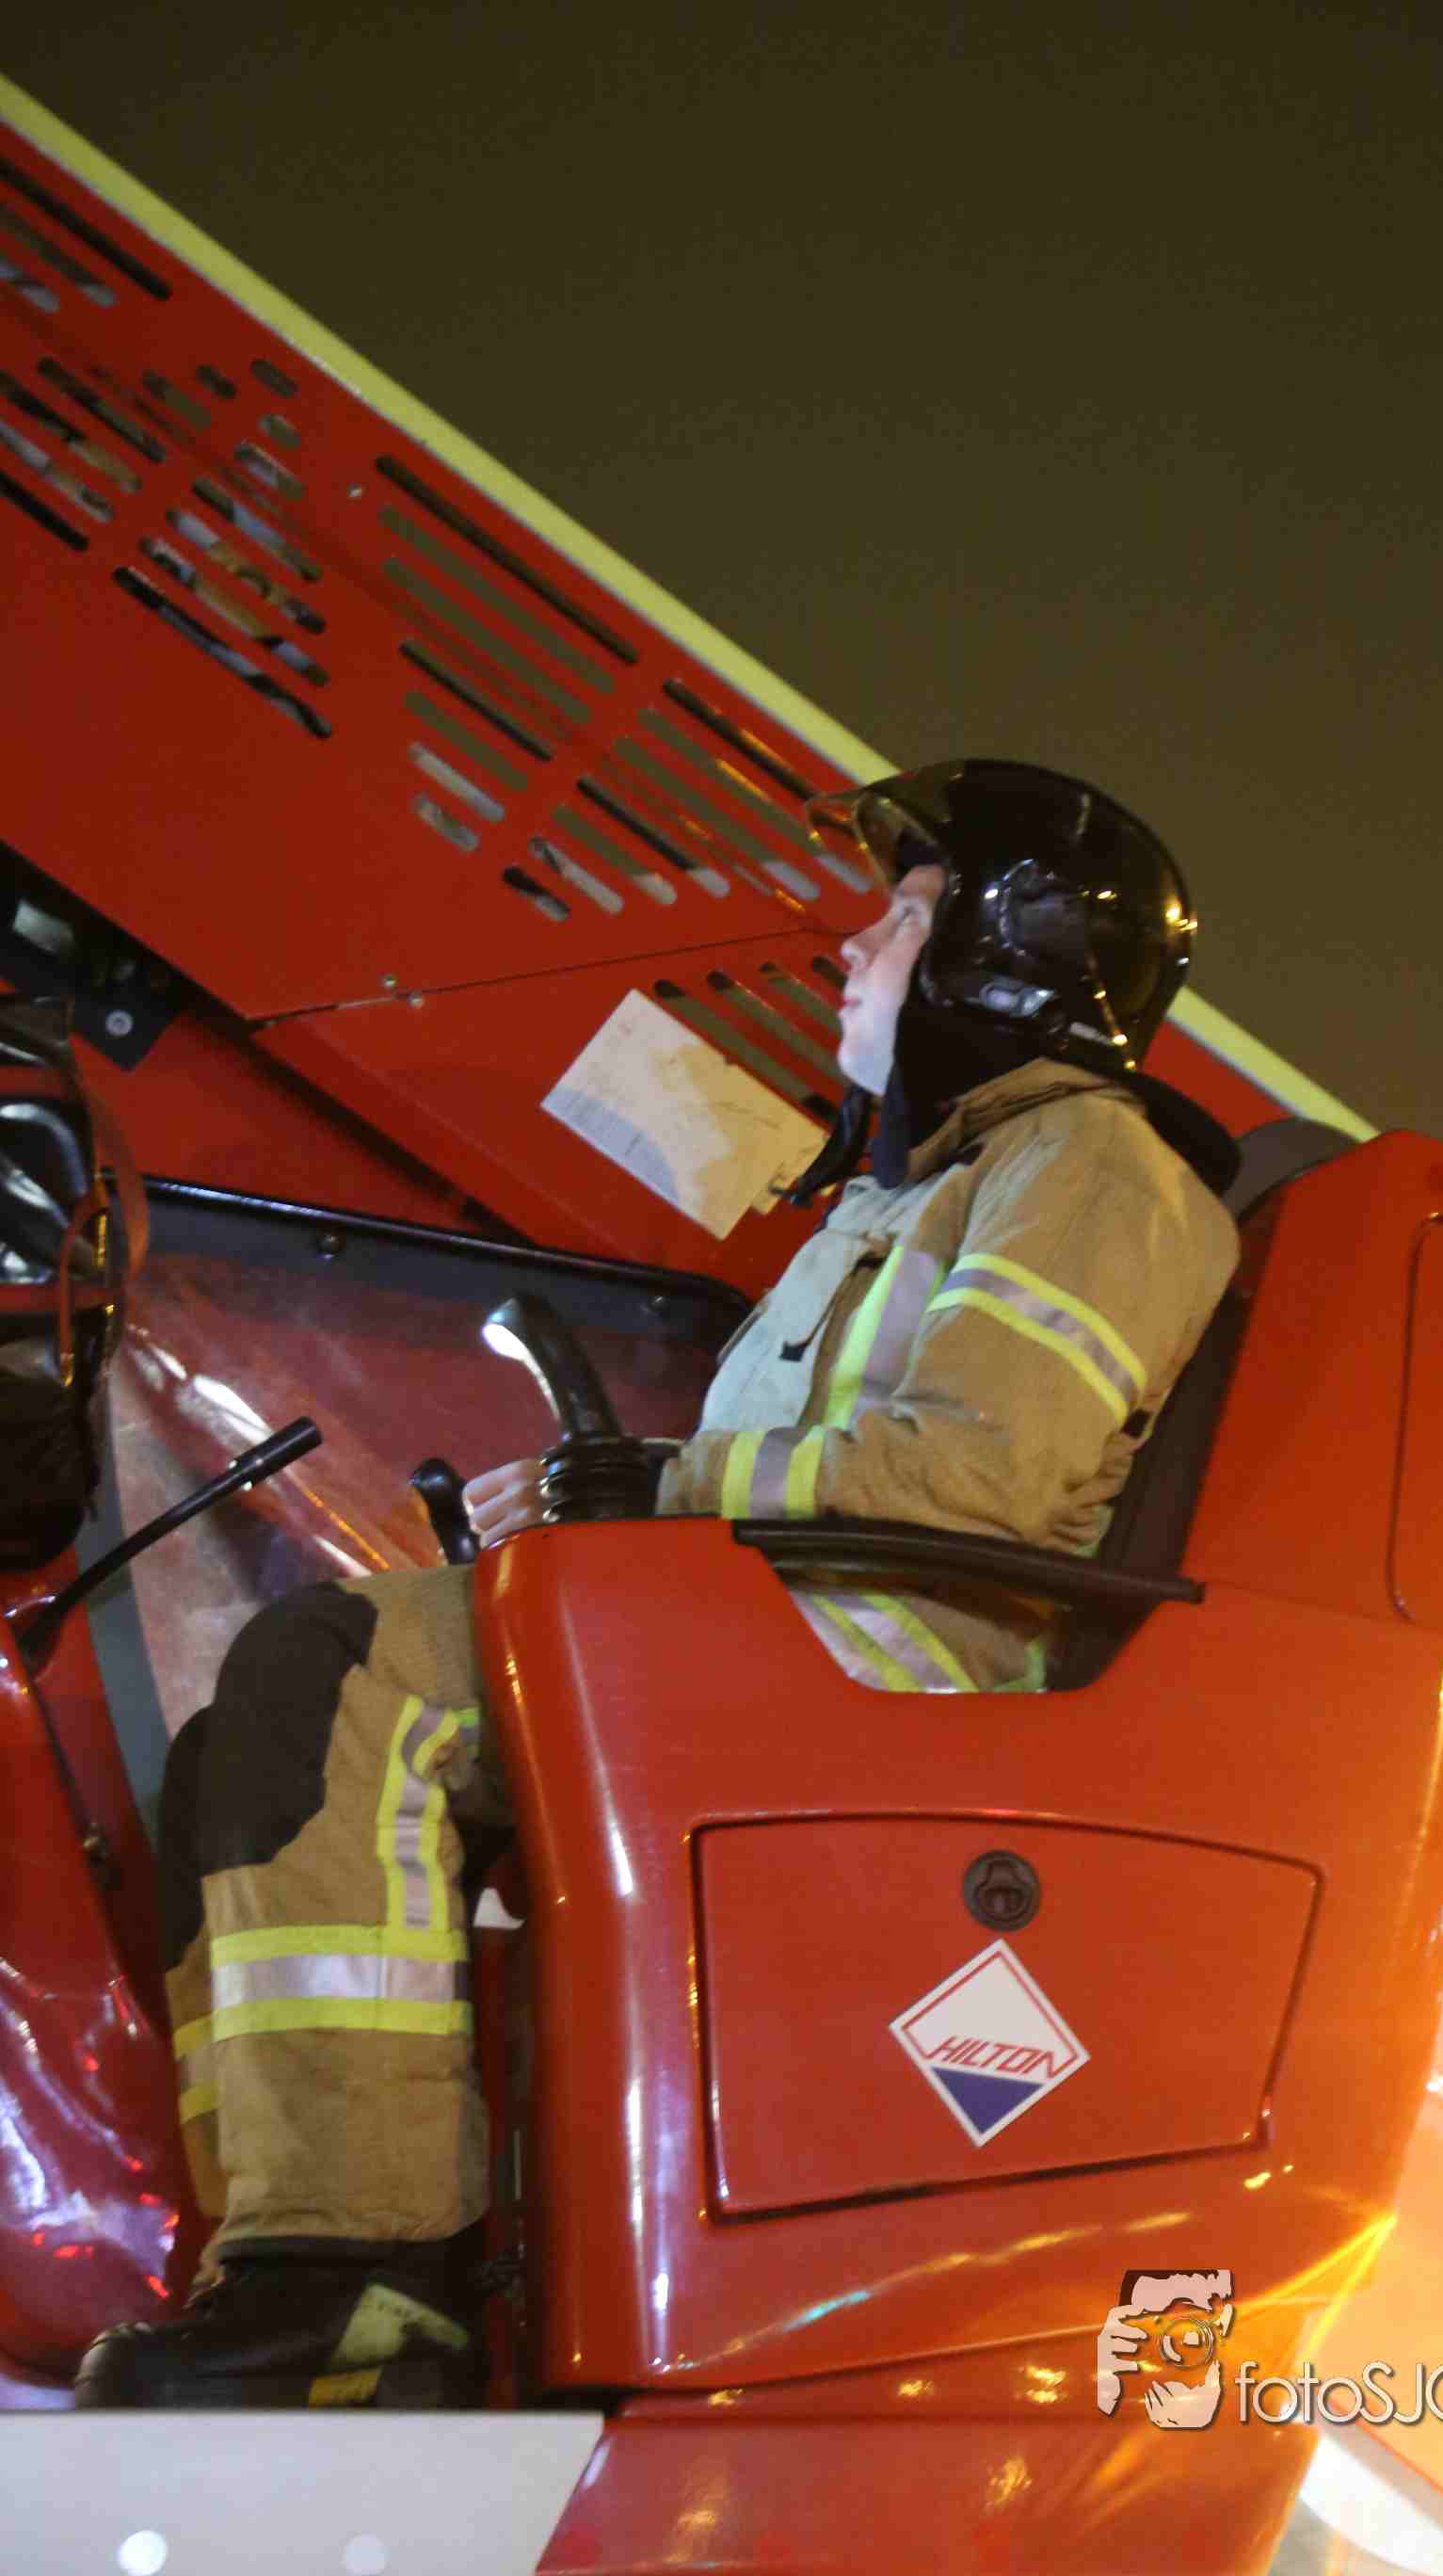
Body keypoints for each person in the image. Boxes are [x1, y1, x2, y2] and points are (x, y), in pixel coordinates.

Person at [76, 759, 1241, 2410]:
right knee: (244, 1745)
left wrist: (658, 1491)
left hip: (878, 1676)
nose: (851, 951)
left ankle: (361, 2287)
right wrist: (607, 1515)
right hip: (777, 1632)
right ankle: (293, 2256)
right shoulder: (931, 1187)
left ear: (1001, 954)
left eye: (902, 919)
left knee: (335, 1676)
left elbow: (978, 1474)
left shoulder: (1094, 1174)